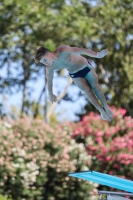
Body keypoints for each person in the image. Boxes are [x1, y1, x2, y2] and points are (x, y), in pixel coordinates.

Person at [34, 45, 113, 121]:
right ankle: (101, 111)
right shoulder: (50, 67)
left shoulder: (62, 51)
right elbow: (49, 81)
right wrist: (50, 94)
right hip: (74, 74)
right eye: (43, 63)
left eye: (45, 60)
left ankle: (106, 106)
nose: (45, 63)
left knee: (95, 86)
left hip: (84, 66)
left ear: (49, 54)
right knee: (87, 91)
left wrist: (97, 54)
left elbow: (81, 50)